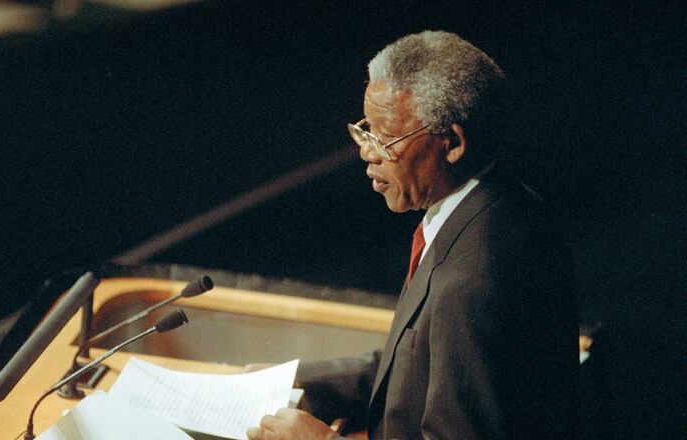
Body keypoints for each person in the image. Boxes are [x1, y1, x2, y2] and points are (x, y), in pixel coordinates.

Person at [247, 30, 578, 440]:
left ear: (452, 142)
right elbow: (414, 364)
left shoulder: (472, 281)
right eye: (367, 128)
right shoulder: (496, 204)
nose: (367, 152)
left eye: (386, 138)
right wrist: (291, 382)